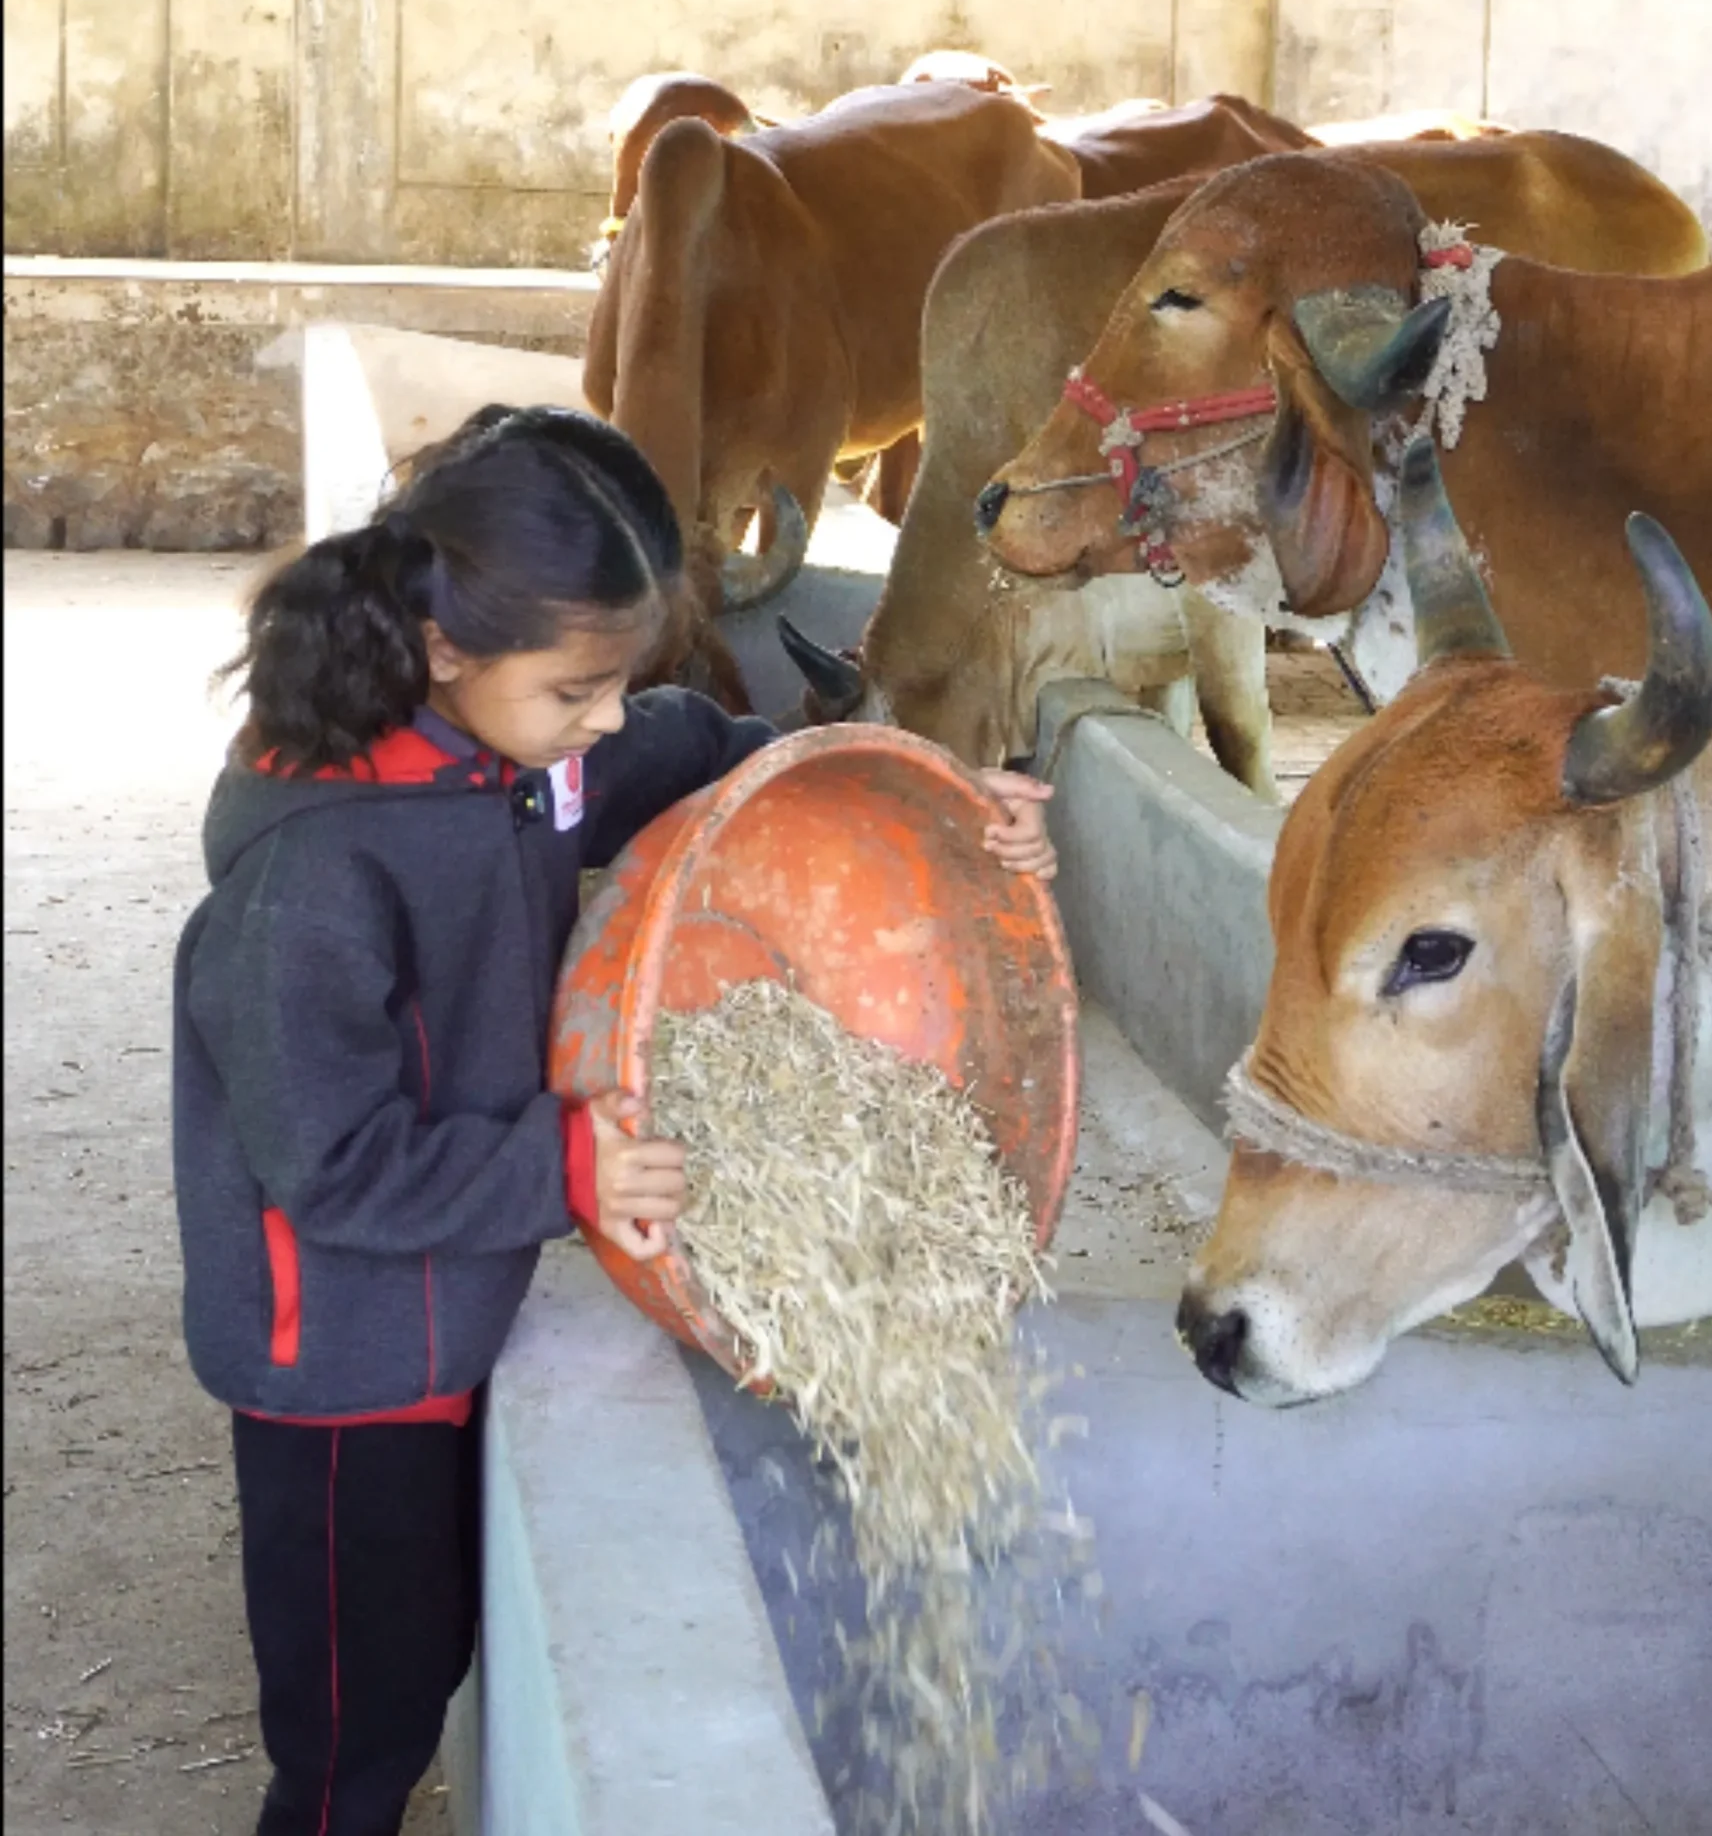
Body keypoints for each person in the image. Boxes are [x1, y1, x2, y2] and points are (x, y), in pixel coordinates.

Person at [170, 404, 1056, 1836]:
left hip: (449, 1302)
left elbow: (684, 756)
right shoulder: (313, 874)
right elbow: (328, 1164)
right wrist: (567, 1165)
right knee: (358, 1737)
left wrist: (942, 800)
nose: (602, 718)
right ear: (444, 643)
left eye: (615, 682)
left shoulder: (514, 746)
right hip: (335, 1354)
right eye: (581, 686)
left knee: (432, 1647)